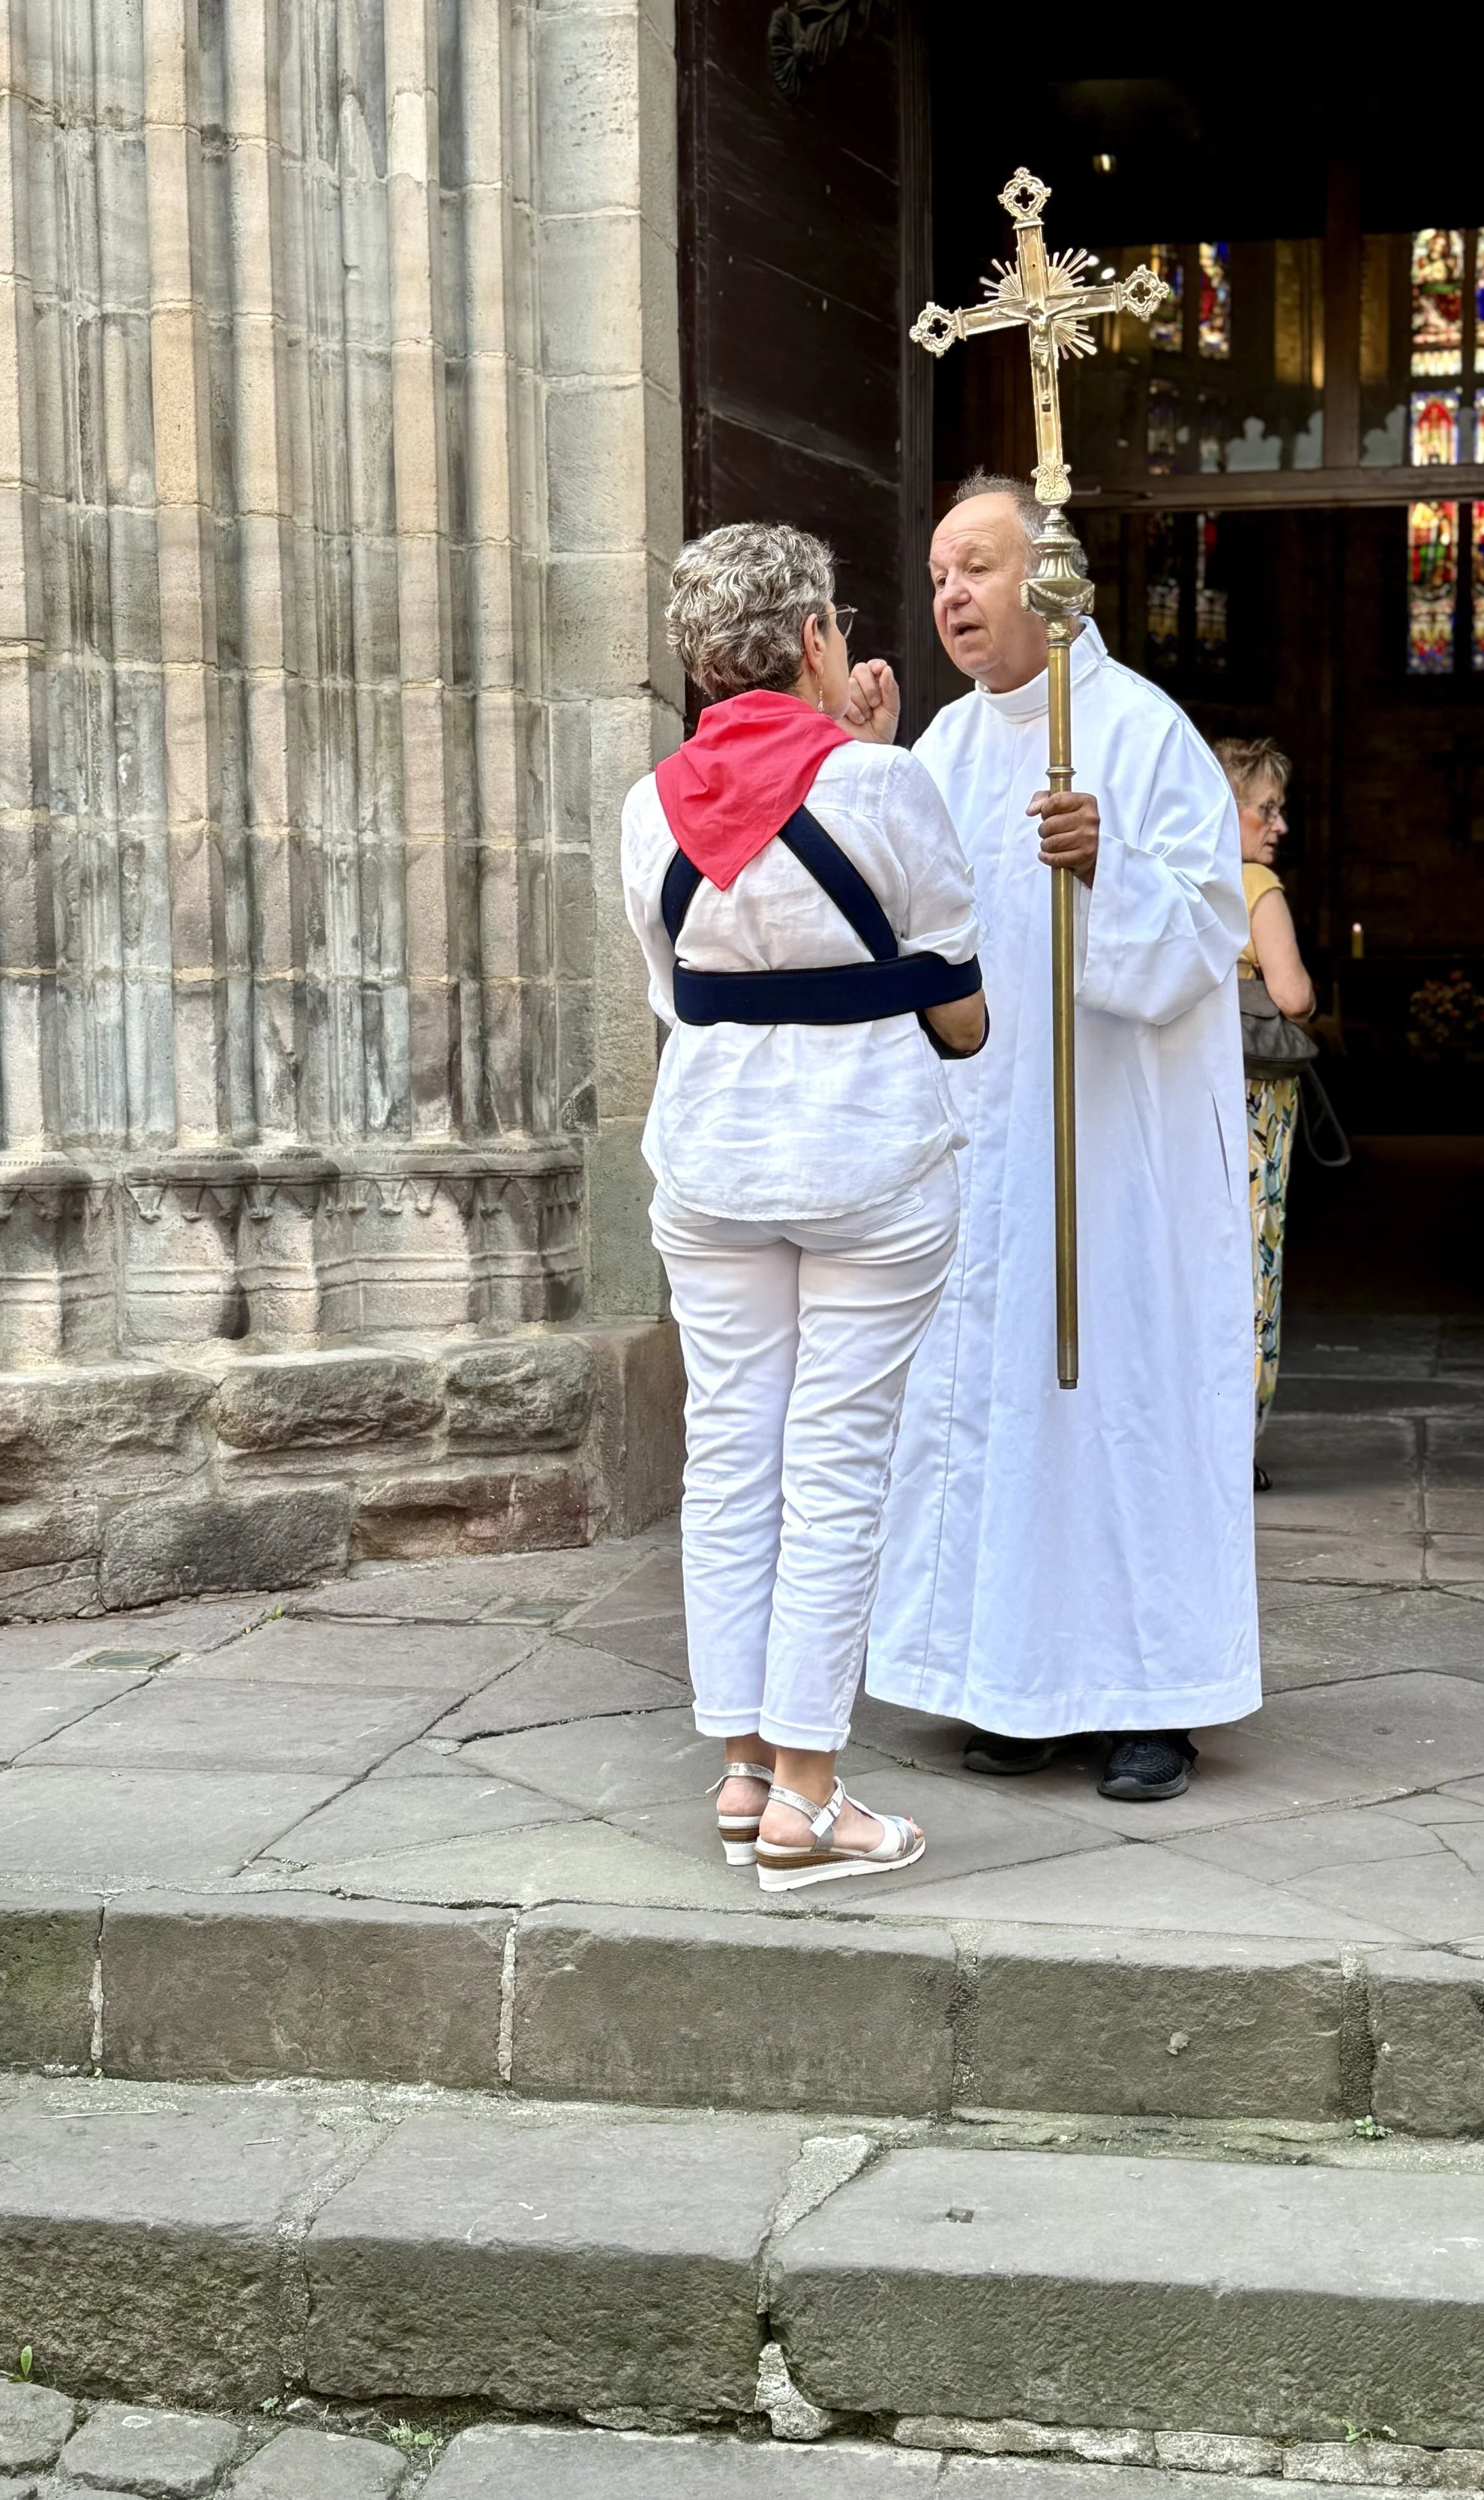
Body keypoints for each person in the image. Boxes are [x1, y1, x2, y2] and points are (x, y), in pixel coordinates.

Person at [847, 473, 1258, 1805]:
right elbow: (882, 933)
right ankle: (1011, 1679)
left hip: (1119, 1160)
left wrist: (1107, 868)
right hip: (992, 1149)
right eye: (936, 578)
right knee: (1001, 1402)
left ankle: (1149, 1695)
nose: (950, 597)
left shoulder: (1140, 736)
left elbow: (1206, 938)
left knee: (1120, 1404)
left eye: (975, 566)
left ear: (1052, 573)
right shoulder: (946, 754)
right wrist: (856, 768)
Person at [619, 521, 988, 1886]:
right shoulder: (886, 787)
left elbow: (679, 997)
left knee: (731, 1458)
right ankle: (813, 1800)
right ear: (819, 638)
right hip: (866, 1165)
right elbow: (961, 1007)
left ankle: (740, 1769)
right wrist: (867, 749)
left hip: (713, 1164)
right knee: (835, 1464)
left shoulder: (647, 806)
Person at [1215, 736, 1315, 1473]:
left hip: (1190, 1092)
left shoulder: (1178, 878)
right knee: (1255, 1253)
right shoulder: (1254, 887)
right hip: (1254, 1100)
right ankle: (1236, 1435)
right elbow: (1293, 995)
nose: (1278, 826)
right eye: (1267, 809)